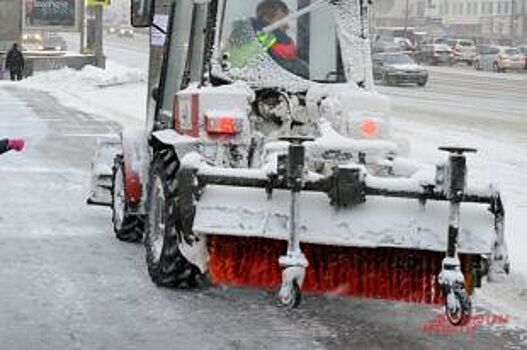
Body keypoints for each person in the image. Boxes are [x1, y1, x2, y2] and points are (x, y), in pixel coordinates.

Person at [227, 0, 309, 78]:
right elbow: (282, 65)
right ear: (266, 19)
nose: (287, 26)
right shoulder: (258, 39)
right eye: (282, 19)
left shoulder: (255, 38)